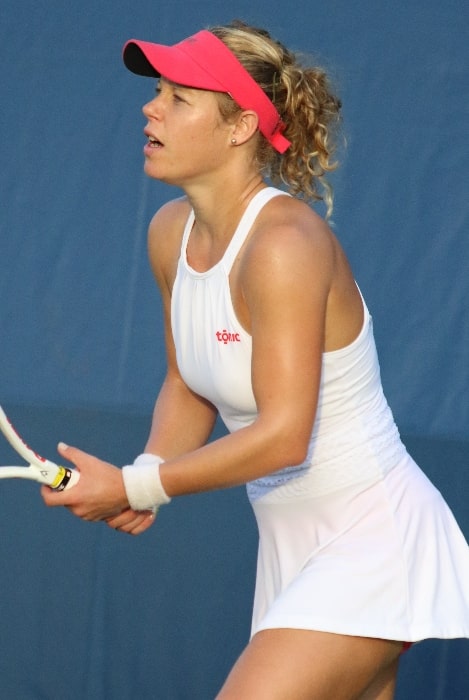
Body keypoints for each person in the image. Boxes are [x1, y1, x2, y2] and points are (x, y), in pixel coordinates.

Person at [42, 20, 469, 699]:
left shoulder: (284, 244)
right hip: (293, 550)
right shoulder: (168, 233)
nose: (151, 108)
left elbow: (282, 436)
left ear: (240, 126)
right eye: (157, 91)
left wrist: (138, 488)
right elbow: (189, 382)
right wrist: (149, 465)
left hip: (373, 540)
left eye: (179, 98)